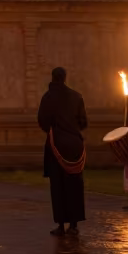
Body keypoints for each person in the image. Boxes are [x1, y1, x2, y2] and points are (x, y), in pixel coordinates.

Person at [37, 67, 88, 236]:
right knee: (74, 185)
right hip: (75, 145)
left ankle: (60, 225)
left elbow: (43, 121)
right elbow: (83, 122)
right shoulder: (76, 96)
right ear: (65, 78)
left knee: (58, 185)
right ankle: (74, 224)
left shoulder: (48, 97)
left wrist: (56, 130)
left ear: (53, 78)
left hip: (56, 144)